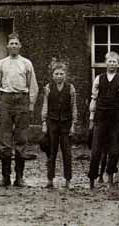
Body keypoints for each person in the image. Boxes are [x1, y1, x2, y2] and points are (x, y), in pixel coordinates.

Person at [0, 32, 39, 187]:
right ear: (7, 46)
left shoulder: (26, 63)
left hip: (22, 100)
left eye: (16, 43)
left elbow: (33, 86)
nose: (14, 46)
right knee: (4, 141)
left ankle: (19, 177)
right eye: (11, 43)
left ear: (20, 46)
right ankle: (5, 177)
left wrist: (30, 105)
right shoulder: (1, 64)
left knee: (21, 139)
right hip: (5, 100)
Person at [88, 51, 119, 189]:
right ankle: (92, 179)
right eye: (109, 61)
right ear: (105, 63)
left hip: (115, 118)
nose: (112, 64)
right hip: (100, 117)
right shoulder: (98, 79)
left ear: (118, 64)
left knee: (114, 151)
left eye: (114, 61)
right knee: (95, 151)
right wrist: (91, 118)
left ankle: (110, 177)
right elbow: (94, 99)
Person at [41, 58, 77, 189]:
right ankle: (50, 179)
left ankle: (68, 180)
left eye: (61, 73)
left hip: (66, 123)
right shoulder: (48, 88)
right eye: (56, 74)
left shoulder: (70, 88)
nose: (59, 76)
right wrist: (44, 122)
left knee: (67, 152)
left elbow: (74, 107)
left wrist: (73, 123)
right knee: (52, 152)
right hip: (52, 122)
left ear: (65, 75)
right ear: (52, 75)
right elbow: (45, 105)